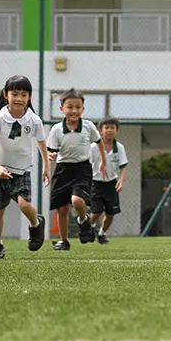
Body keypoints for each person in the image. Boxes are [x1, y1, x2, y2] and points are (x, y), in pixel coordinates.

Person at [0, 75, 49, 259]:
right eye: (14, 93)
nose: (19, 98)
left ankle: (36, 224)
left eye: (24, 94)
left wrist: (46, 167)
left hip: (22, 171)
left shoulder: (34, 121)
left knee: (25, 206)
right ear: (5, 95)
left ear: (29, 97)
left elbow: (42, 143)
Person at [47, 89, 106, 249]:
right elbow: (51, 150)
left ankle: (82, 220)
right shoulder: (56, 129)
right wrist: (51, 156)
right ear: (62, 109)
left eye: (78, 107)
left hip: (82, 168)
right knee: (62, 208)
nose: (74, 111)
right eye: (70, 107)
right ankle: (64, 240)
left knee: (77, 201)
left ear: (83, 109)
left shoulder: (88, 126)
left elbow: (99, 142)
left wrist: (103, 161)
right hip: (62, 169)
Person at [88, 117, 128, 244]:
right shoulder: (94, 147)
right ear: (100, 130)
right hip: (96, 182)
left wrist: (121, 180)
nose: (109, 131)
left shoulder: (119, 148)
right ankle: (90, 227)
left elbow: (123, 166)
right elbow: (87, 164)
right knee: (96, 211)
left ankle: (102, 234)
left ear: (117, 131)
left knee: (111, 213)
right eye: (106, 128)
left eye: (112, 128)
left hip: (111, 183)